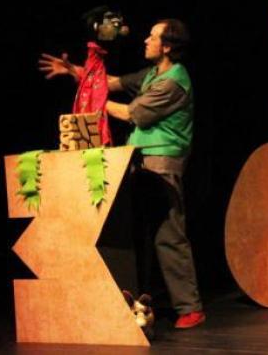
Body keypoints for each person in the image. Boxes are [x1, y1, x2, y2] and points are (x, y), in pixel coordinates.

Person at [39, 18, 205, 329]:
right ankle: (135, 302)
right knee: (135, 233)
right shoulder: (152, 74)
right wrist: (74, 71)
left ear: (167, 46)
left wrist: (94, 99)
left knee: (168, 234)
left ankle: (190, 307)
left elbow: (131, 113)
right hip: (138, 158)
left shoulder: (173, 82)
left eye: (153, 36)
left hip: (162, 160)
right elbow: (110, 81)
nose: (145, 40)